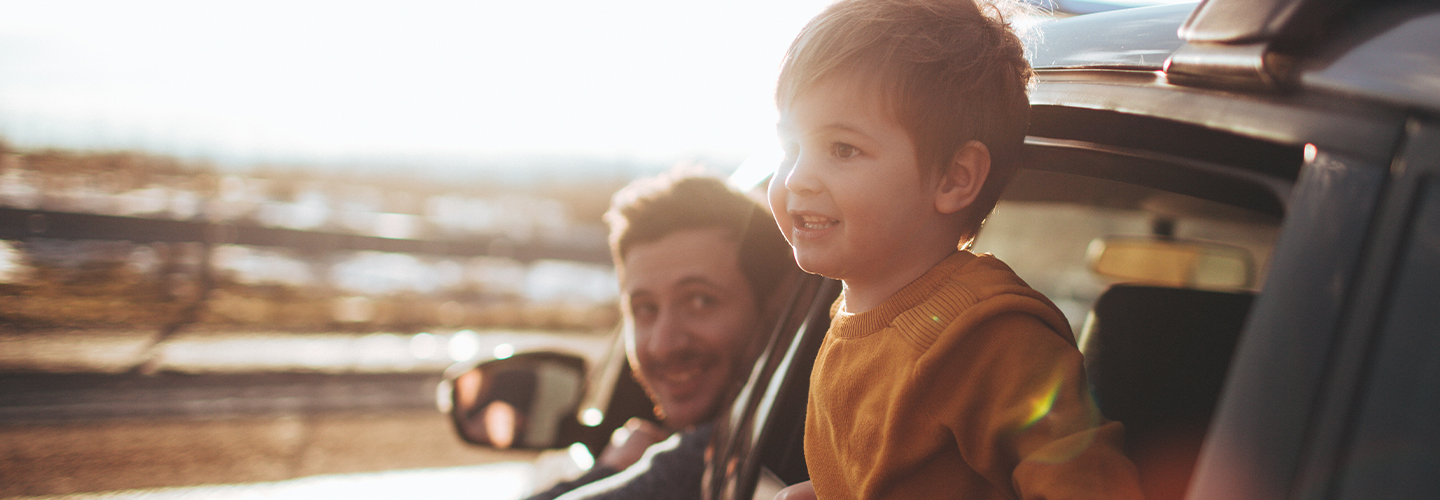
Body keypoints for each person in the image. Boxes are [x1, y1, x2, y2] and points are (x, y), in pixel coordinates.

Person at [766, 1, 1144, 499]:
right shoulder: (858, 315)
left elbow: (1087, 483)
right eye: (791, 148)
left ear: (955, 178)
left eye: (843, 149)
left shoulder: (984, 335)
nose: (796, 177)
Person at [527, 170, 798, 500]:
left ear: (773, 312)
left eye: (700, 301)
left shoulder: (723, 454)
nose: (662, 343)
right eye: (645, 309)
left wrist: (608, 473)